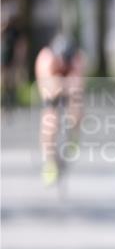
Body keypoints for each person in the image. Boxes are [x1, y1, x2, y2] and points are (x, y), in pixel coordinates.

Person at [34, 32, 85, 186]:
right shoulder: (46, 59)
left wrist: (70, 88)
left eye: (66, 60)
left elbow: (78, 85)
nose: (63, 63)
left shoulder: (78, 59)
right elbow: (47, 89)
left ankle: (74, 135)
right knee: (50, 119)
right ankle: (49, 162)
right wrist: (58, 87)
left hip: (69, 82)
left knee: (77, 104)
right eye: (61, 60)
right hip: (50, 83)